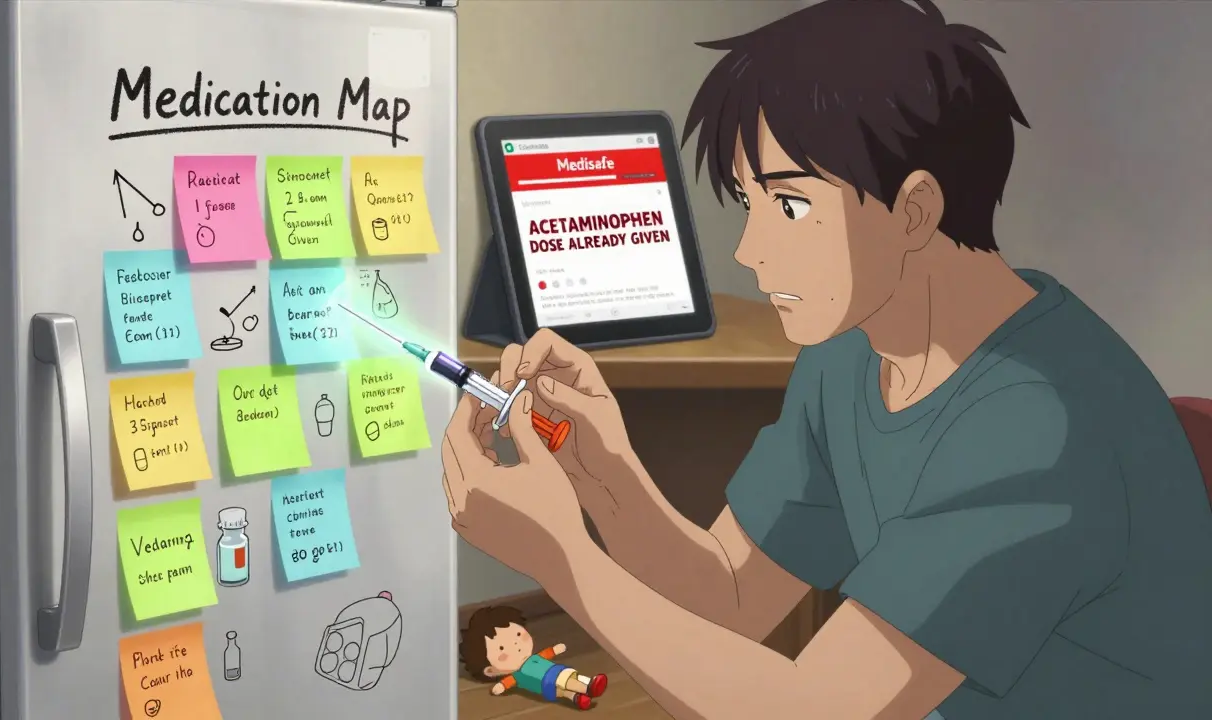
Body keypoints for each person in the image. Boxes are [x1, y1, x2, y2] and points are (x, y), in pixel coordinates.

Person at [440, 1, 1212, 718]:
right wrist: (606, 478)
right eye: (750, 203)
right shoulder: (854, 347)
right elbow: (733, 593)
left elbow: (814, 711)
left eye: (792, 204)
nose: (749, 251)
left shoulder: (1038, 422)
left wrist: (559, 552)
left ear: (913, 209)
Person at [459, 605, 609, 710]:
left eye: (518, 635)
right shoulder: (516, 675)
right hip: (551, 677)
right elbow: (506, 683)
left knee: (565, 689)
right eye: (502, 648)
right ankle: (588, 686)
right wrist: (500, 687)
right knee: (566, 679)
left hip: (546, 688)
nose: (516, 644)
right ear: (491, 671)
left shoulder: (529, 663)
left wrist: (554, 650)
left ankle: (577, 698)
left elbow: (546, 654)